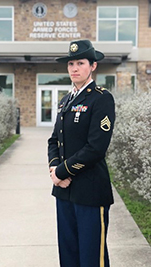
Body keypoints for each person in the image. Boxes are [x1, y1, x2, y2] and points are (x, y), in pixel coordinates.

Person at [47, 39, 115, 267]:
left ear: (93, 66)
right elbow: (54, 140)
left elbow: (96, 147)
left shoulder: (101, 98)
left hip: (90, 190)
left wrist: (62, 172)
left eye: (80, 63)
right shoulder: (66, 101)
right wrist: (54, 170)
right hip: (64, 192)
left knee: (91, 256)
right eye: (71, 64)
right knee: (68, 255)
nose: (74, 68)